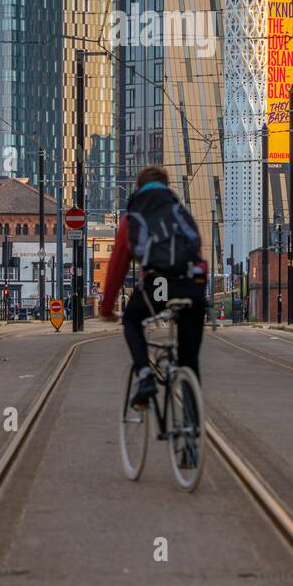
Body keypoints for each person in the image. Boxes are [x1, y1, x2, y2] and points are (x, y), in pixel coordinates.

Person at [100, 166, 207, 406]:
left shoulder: (134, 217)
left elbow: (118, 266)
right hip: (191, 284)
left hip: (158, 283)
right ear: (166, 187)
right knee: (189, 359)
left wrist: (107, 308)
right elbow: (197, 252)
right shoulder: (179, 211)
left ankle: (146, 376)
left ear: (139, 188)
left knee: (131, 320)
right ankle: (191, 423)